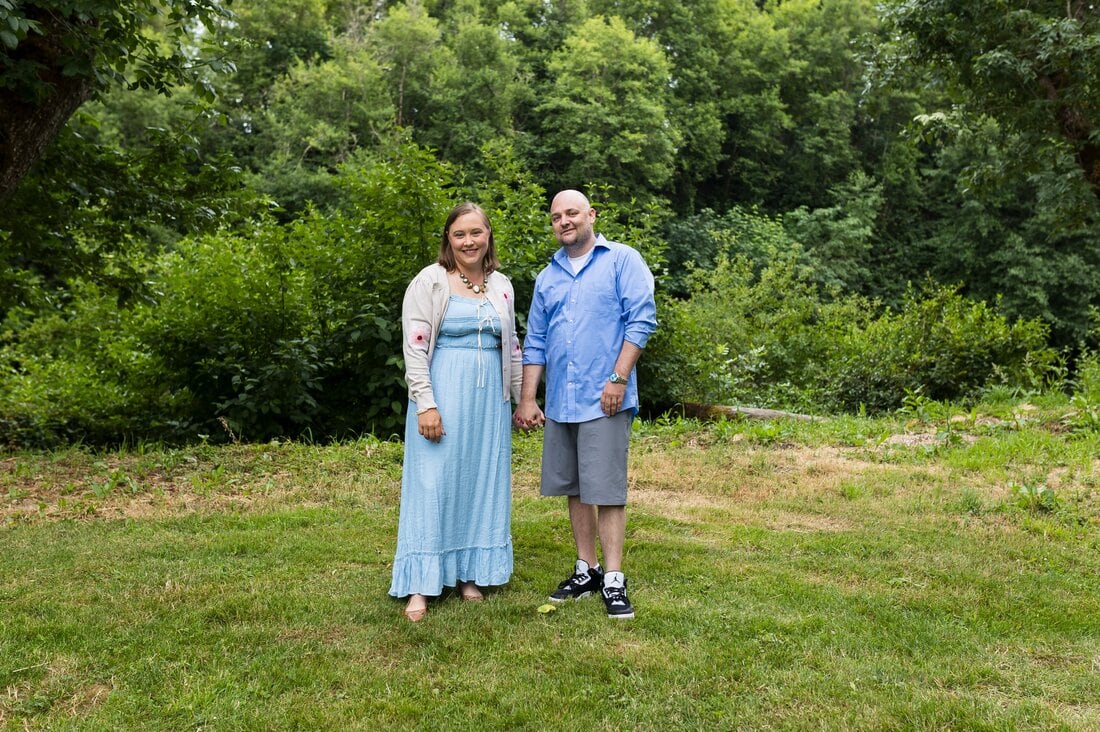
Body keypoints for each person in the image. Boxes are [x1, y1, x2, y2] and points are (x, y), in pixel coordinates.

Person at [513, 189, 657, 620]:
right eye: (556, 216)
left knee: (606, 489)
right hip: (562, 400)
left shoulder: (622, 260)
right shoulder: (548, 277)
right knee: (574, 487)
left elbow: (641, 320)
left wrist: (618, 378)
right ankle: (586, 569)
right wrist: (528, 398)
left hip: (605, 397)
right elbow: (536, 340)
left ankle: (613, 577)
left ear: (591, 215)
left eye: (572, 213)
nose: (564, 221)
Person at [389, 202, 523, 622]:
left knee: (479, 481)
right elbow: (414, 347)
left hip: (489, 404)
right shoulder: (430, 280)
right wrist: (425, 404)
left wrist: (523, 398)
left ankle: (469, 573)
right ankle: (420, 584)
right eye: (459, 234)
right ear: (448, 239)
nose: (469, 242)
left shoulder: (501, 284)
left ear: (488, 235)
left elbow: (512, 346)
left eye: (476, 233)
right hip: (443, 394)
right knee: (433, 484)